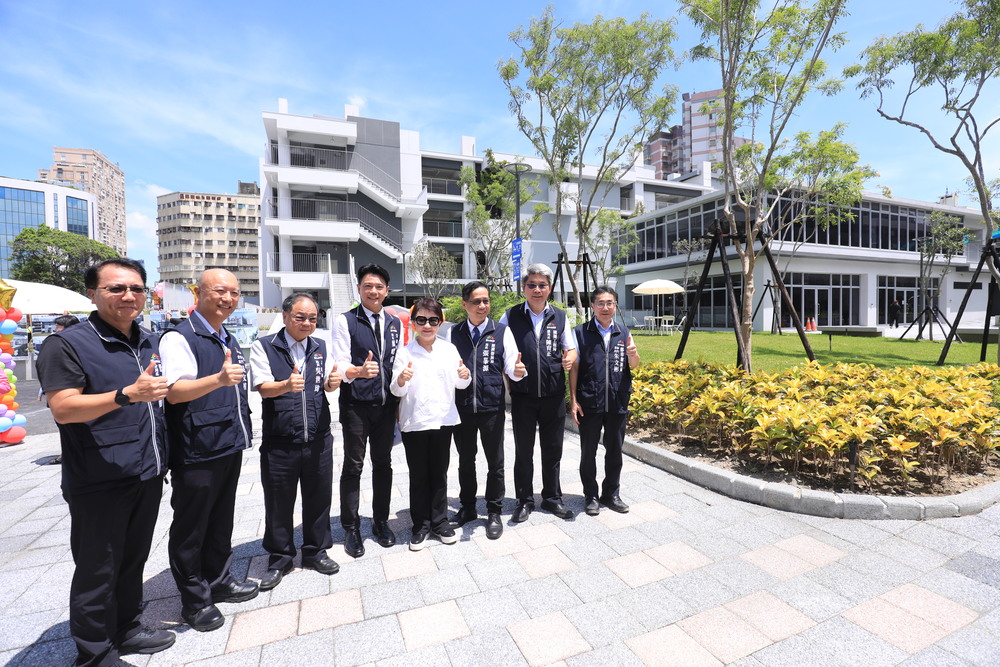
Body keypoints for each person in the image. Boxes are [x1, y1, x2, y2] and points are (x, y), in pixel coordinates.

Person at [37, 258, 174, 666]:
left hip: (146, 470)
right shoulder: (67, 344)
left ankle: (127, 628)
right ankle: (95, 653)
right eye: (116, 288)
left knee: (133, 560)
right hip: (99, 477)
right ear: (92, 294)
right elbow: (63, 408)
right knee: (98, 569)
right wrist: (125, 395)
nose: (128, 296)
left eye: (136, 288)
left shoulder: (148, 340)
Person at [159, 269, 257, 633]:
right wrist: (218, 379)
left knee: (220, 519)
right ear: (197, 293)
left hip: (227, 442)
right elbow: (174, 392)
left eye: (234, 292)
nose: (228, 298)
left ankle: (219, 580)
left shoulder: (224, 335)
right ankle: (194, 600)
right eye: (219, 291)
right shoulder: (180, 337)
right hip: (197, 448)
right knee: (192, 525)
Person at [250, 292, 343, 590]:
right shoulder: (265, 346)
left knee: (319, 498)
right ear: (285, 316)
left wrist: (332, 384)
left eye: (312, 318)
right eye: (300, 317)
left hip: (318, 437)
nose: (307, 323)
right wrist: (285, 385)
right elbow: (263, 387)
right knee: (279, 502)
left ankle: (316, 551)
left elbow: (324, 384)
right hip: (280, 439)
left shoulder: (320, 346)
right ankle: (280, 558)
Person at [332, 264, 402, 558]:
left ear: (387, 291)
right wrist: (357, 372)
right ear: (359, 289)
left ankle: (381, 521)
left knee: (383, 464)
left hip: (386, 406)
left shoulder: (395, 322)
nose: (374, 291)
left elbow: (397, 361)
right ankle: (351, 527)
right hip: (356, 406)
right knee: (354, 465)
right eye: (368, 286)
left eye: (379, 287)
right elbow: (339, 363)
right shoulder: (345, 320)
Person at [390, 297, 471, 549]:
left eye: (433, 320)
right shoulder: (404, 352)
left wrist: (465, 375)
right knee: (419, 475)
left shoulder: (449, 350)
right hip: (415, 422)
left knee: (439, 473)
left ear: (440, 323)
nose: (427, 325)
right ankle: (421, 525)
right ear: (413, 323)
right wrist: (401, 379)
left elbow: (461, 384)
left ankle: (440, 521)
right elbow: (396, 390)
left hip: (443, 420)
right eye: (421, 320)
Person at [448, 281, 525, 539]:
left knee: (495, 462)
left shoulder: (501, 331)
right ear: (465, 304)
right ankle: (468, 507)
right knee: (465, 460)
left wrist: (518, 371)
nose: (482, 306)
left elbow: (512, 365)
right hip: (462, 407)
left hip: (491, 406)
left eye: (486, 301)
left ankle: (494, 511)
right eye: (476, 301)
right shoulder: (454, 333)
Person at [500, 263, 577, 522]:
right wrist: (510, 369)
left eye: (542, 285)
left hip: (553, 395)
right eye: (531, 284)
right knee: (523, 451)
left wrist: (569, 358)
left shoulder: (560, 316)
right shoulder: (510, 316)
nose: (536, 289)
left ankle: (552, 498)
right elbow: (500, 352)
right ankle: (524, 500)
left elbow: (571, 348)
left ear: (549, 288)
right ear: (523, 288)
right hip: (522, 396)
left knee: (553, 449)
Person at [569, 287, 640, 516]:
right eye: (600, 303)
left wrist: (633, 355)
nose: (605, 307)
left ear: (616, 305)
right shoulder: (580, 333)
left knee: (615, 451)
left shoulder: (623, 332)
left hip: (617, 400)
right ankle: (590, 495)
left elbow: (634, 364)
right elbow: (574, 368)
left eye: (610, 303)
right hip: (590, 401)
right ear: (592, 306)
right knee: (588, 452)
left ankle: (611, 494)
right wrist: (573, 399)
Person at [39, 314, 82, 465]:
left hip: (73, 395)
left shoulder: (74, 345)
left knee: (71, 426)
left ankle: (69, 454)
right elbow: (50, 371)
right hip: (57, 391)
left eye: (58, 326)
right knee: (64, 426)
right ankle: (67, 453)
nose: (55, 329)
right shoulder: (56, 343)